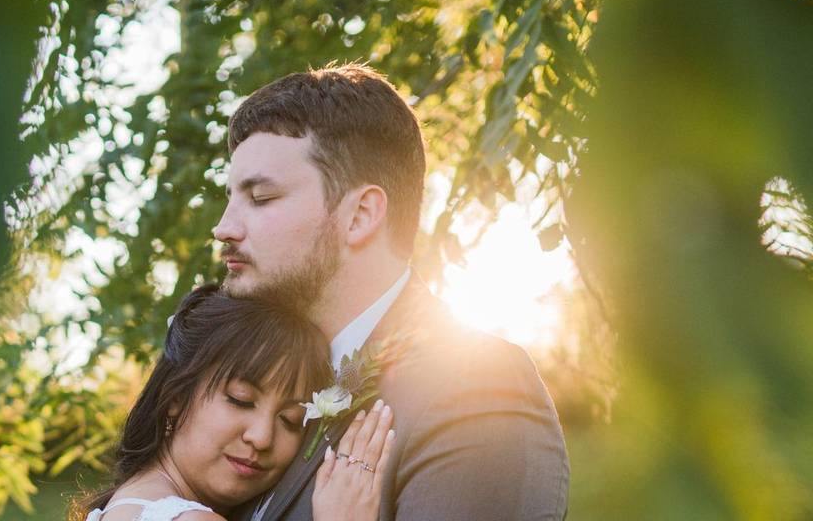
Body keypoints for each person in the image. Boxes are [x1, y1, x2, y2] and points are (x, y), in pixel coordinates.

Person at [214, 64, 570, 521]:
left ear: (361, 215)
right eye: (230, 198)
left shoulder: (475, 385)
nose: (224, 228)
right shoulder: (266, 392)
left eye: (260, 198)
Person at [74, 285, 396, 521]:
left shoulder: (124, 505)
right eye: (241, 400)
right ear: (175, 396)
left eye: (290, 419)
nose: (261, 437)